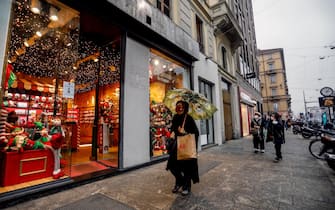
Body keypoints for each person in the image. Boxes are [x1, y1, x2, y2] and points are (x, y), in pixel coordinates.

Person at [166, 100, 199, 196]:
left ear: (185, 108)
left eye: (181, 107)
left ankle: (186, 186)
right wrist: (172, 132)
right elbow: (173, 128)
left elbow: (196, 133)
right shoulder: (175, 117)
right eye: (177, 107)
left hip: (186, 147)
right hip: (176, 146)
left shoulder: (189, 118)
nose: (179, 109)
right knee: (172, 166)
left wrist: (185, 132)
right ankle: (180, 181)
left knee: (186, 168)